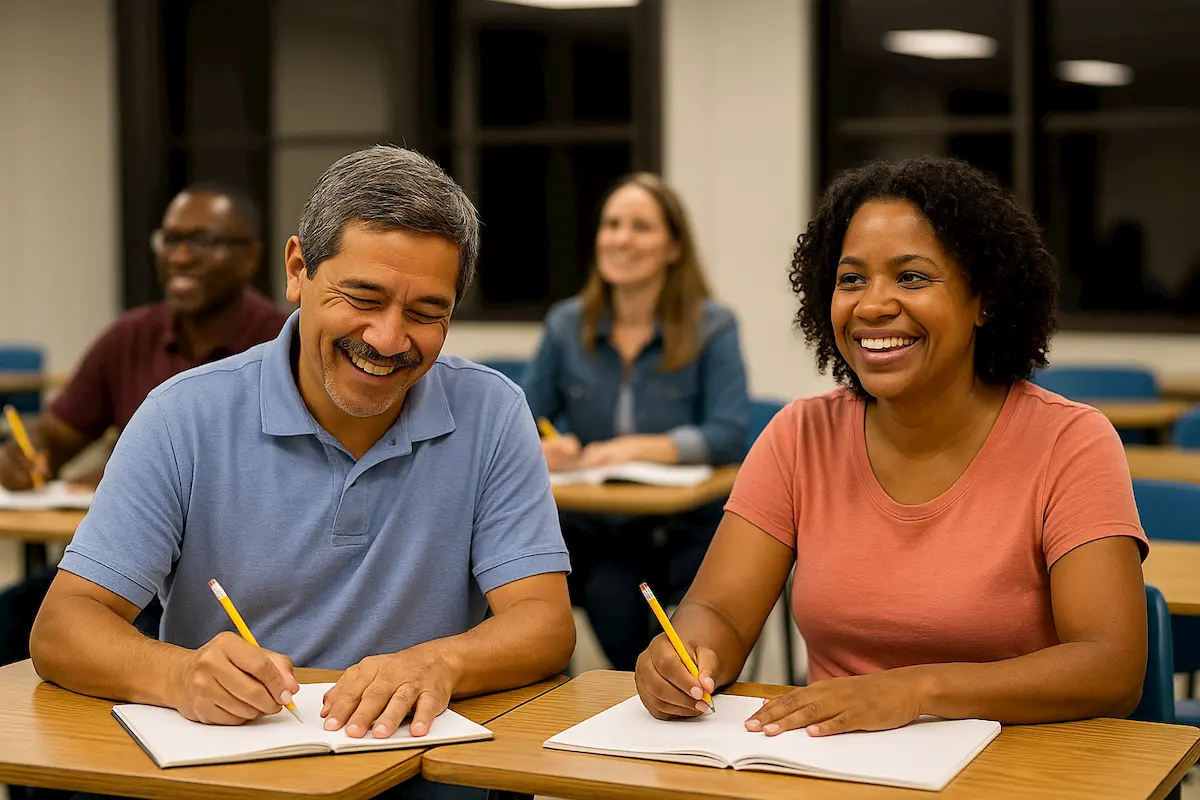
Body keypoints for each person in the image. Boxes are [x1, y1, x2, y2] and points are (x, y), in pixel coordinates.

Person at [30, 146, 574, 800]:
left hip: (416, 761)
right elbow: (63, 627)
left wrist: (441, 660)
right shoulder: (184, 416)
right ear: (297, 270)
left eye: (427, 313)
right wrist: (178, 676)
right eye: (362, 297)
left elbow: (544, 622)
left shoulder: (491, 412)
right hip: (236, 765)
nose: (387, 339)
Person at [634, 157, 1148, 735]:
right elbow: (720, 612)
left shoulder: (1070, 442)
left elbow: (1111, 665)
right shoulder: (800, 436)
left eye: (912, 277)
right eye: (851, 279)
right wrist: (685, 653)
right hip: (829, 765)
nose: (873, 305)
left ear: (985, 299)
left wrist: (915, 691)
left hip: (1012, 768)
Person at [0, 183, 288, 667]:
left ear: (251, 257)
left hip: (223, 583)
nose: (180, 255)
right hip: (129, 562)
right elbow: (53, 441)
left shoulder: (283, 344)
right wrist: (18, 456)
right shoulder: (129, 337)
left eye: (203, 241)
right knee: (19, 622)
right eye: (170, 240)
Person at [521, 172, 749, 671]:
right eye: (612, 224)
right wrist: (543, 447)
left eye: (641, 226)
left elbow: (731, 431)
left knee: (618, 591)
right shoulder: (566, 324)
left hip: (677, 527)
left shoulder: (712, 326)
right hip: (590, 524)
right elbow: (522, 418)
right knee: (571, 586)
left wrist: (638, 448)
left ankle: (663, 691)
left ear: (673, 247)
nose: (621, 238)